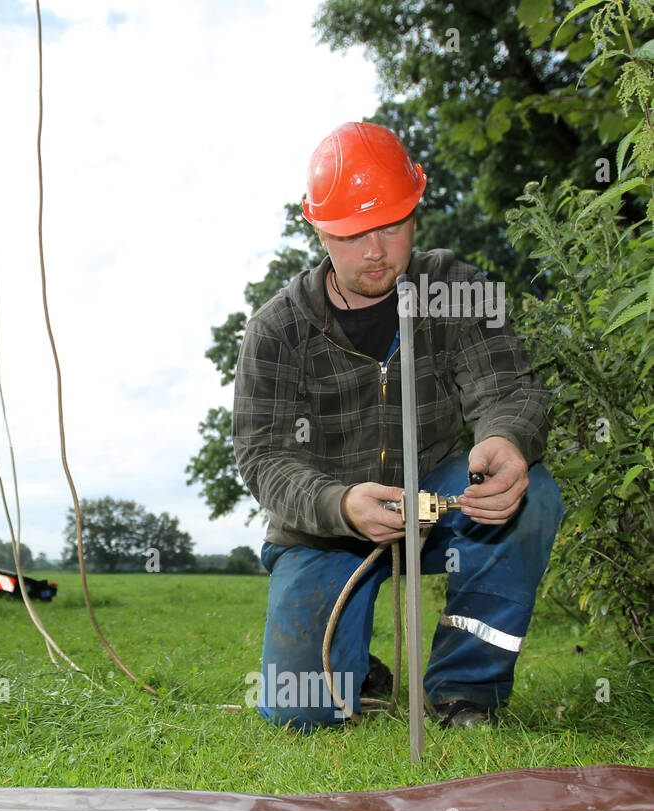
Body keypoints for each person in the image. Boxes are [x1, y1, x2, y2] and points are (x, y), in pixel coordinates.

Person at [232, 121, 563, 731]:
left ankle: (466, 691)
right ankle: (357, 670)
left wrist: (503, 439)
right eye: (353, 235)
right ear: (318, 229)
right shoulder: (275, 330)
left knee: (534, 497)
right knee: (298, 712)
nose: (377, 250)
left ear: (417, 206)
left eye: (391, 224)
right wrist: (340, 504)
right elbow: (263, 457)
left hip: (437, 500)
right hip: (323, 526)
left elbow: (507, 388)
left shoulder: (456, 289)